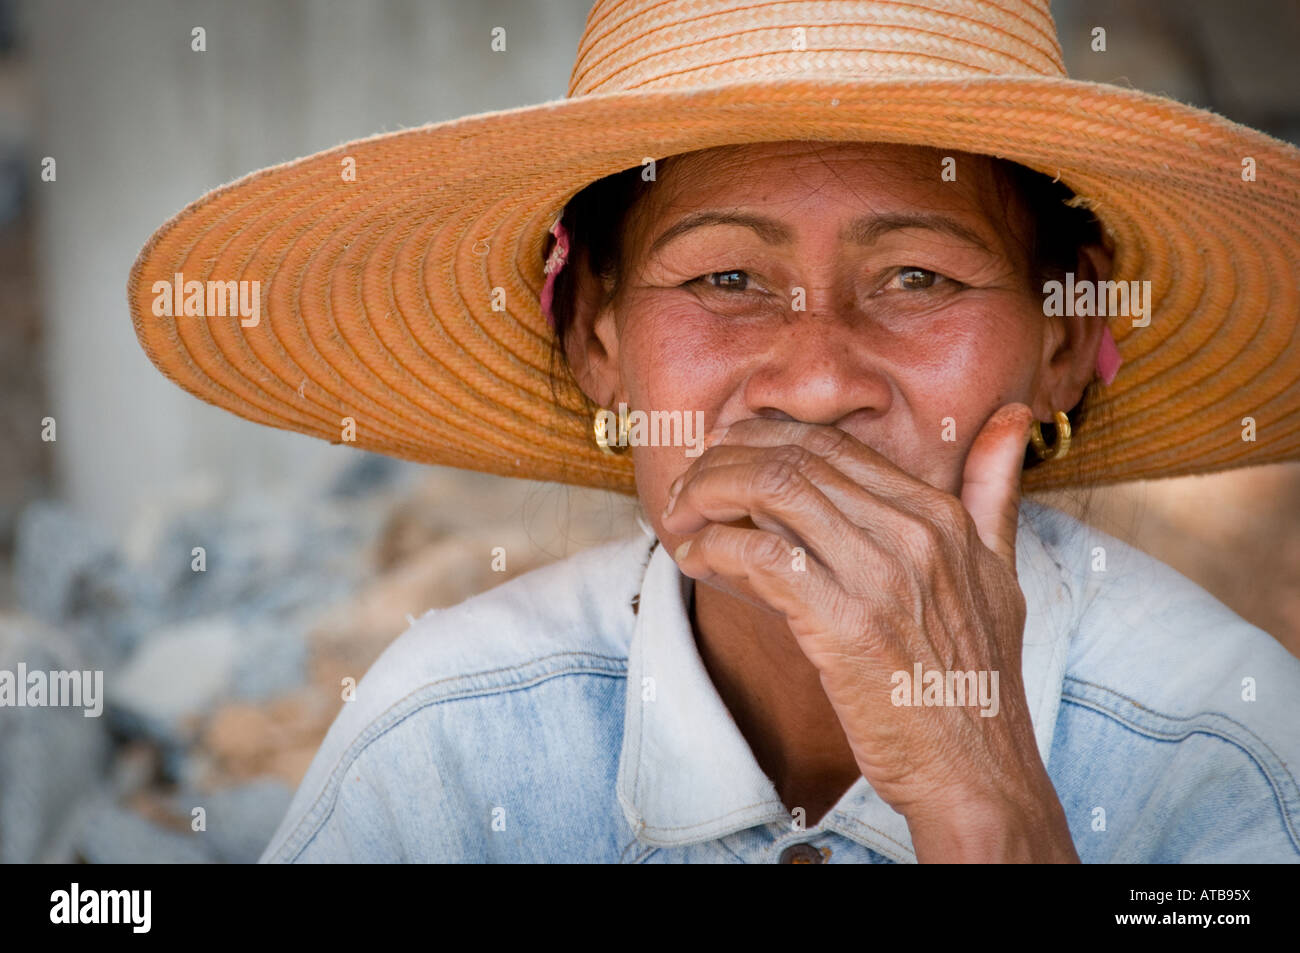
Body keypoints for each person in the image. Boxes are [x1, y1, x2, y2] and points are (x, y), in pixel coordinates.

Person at [127, 0, 1300, 863]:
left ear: (1059, 335)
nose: (816, 379)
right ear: (596, 336)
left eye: (918, 279)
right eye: (727, 275)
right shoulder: (448, 738)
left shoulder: (1226, 749)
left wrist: (981, 799)